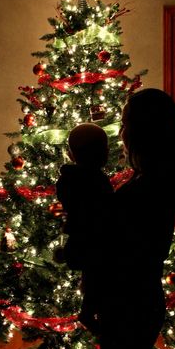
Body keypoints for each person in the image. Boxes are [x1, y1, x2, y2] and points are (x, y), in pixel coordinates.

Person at [98, 88, 175, 349]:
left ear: (143, 132)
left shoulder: (146, 190)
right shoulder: (157, 179)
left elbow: (120, 252)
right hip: (141, 300)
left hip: (129, 305)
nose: (121, 133)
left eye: (126, 124)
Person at [56, 122, 113, 334]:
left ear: (71, 155)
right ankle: (88, 313)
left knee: (91, 277)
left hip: (80, 238)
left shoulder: (67, 179)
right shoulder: (99, 180)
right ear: (105, 154)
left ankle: (88, 312)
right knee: (95, 276)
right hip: (94, 239)